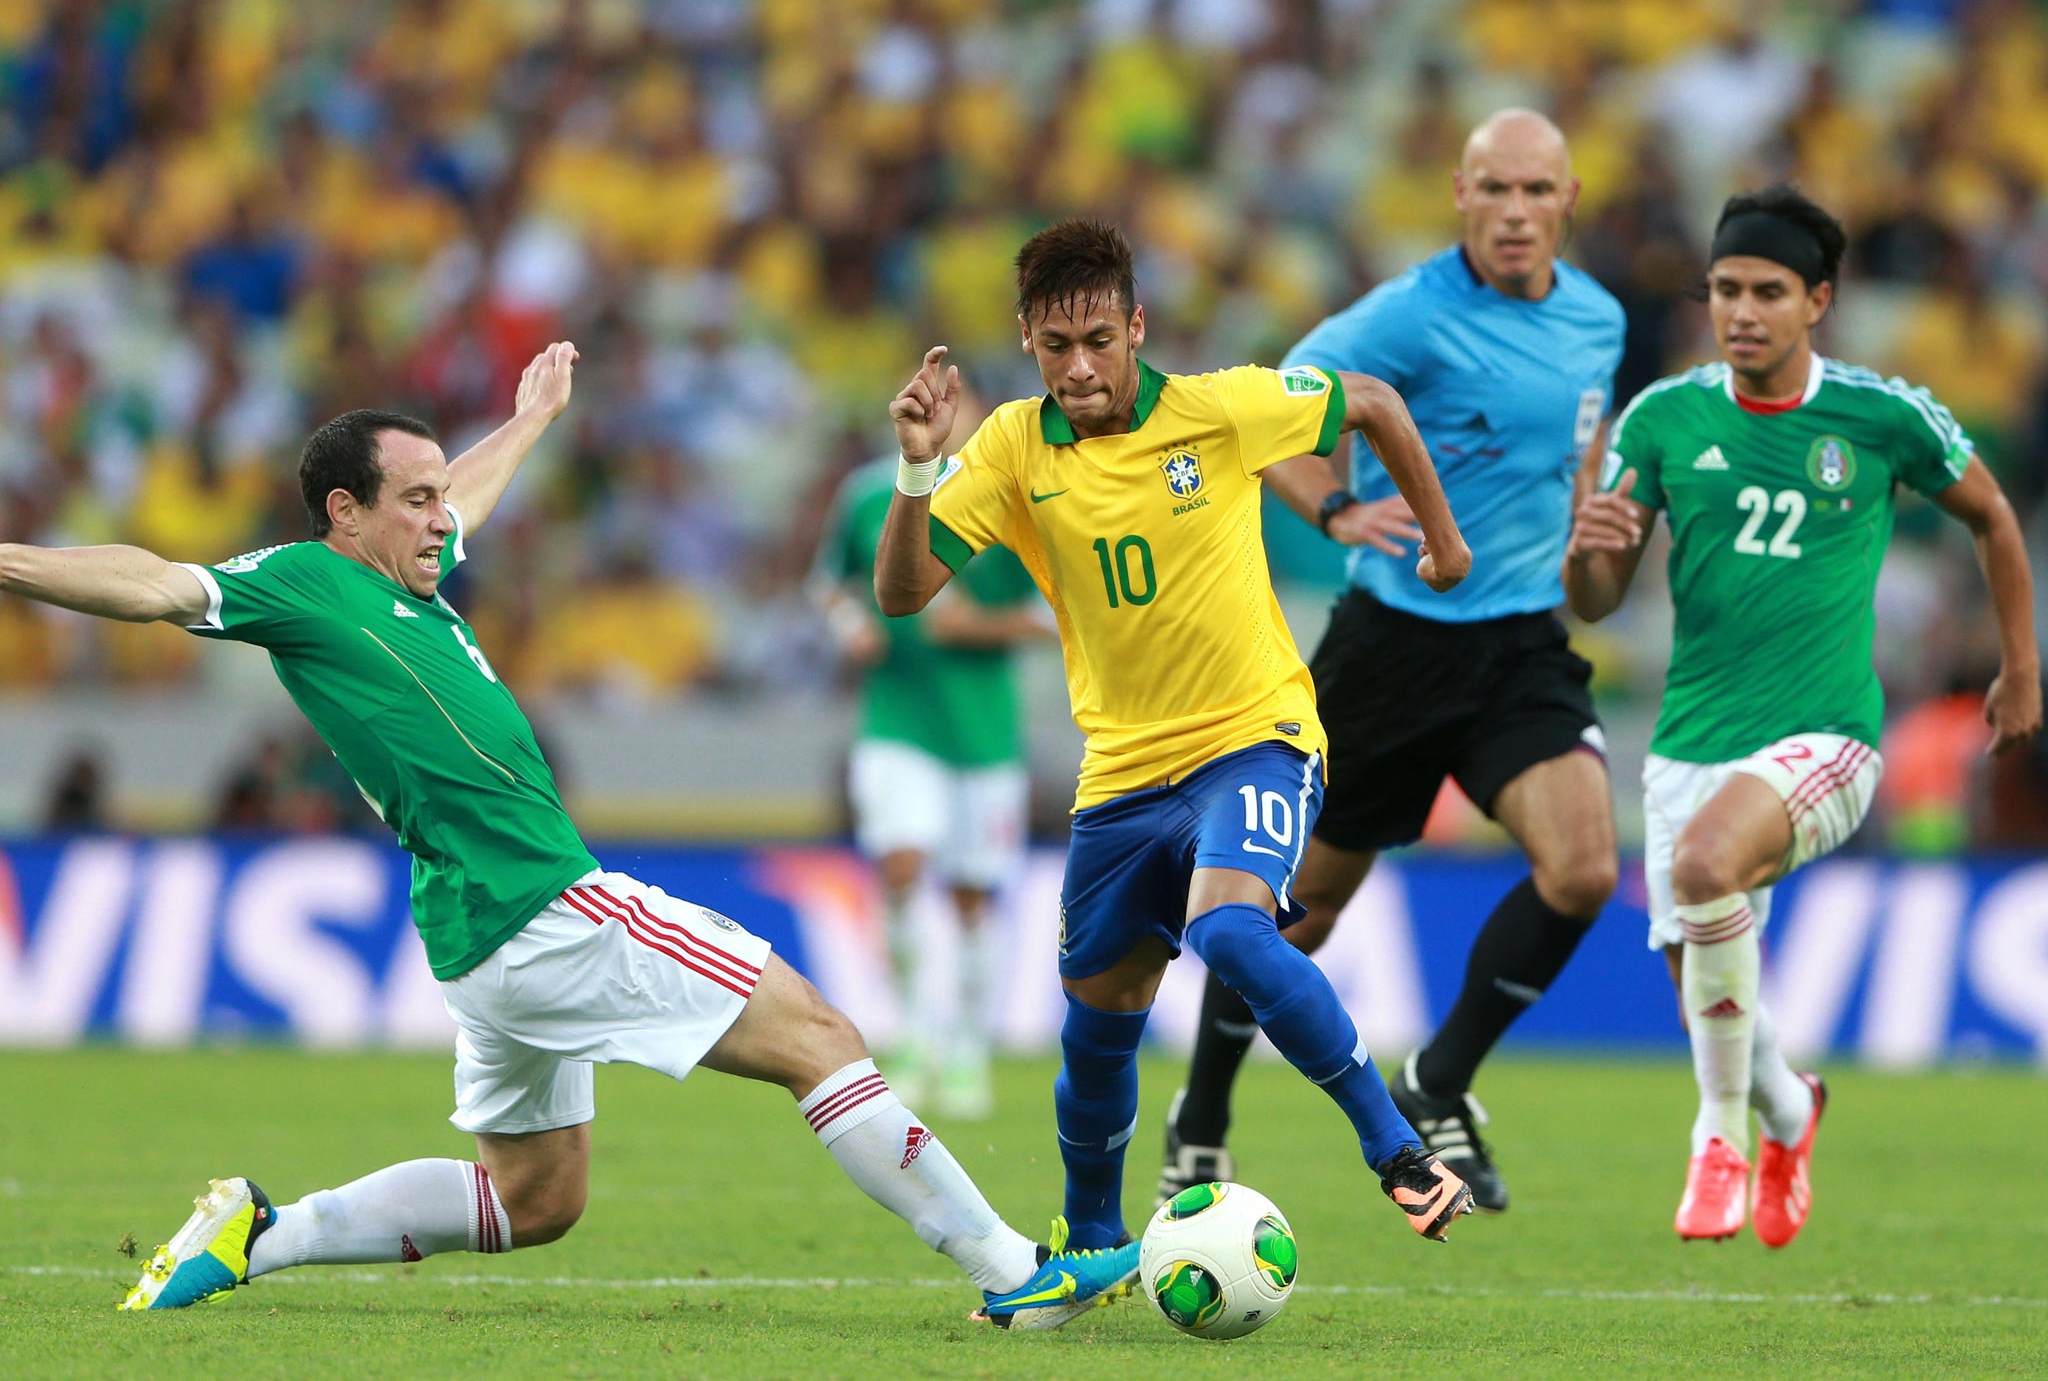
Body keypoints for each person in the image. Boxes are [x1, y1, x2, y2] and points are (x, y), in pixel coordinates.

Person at [0, 342, 1137, 1329]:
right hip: (544, 905)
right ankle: (1010, 1271)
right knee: (819, 1037)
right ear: (342, 514)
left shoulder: (410, 581)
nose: (443, 517)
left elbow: (471, 502)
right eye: (414, 500)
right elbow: (151, 584)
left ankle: (259, 1231)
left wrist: (530, 421)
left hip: (478, 933)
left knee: (532, 1202)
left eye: (441, 497)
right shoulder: (300, 587)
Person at [875, 219, 1478, 1255]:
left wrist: (1443, 543)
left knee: (1231, 931)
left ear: (1135, 328)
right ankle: (1095, 1248)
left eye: (1098, 340)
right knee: (1095, 1030)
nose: (1078, 366)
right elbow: (902, 592)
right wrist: (917, 469)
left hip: (1254, 737)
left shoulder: (1215, 410)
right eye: (1056, 345)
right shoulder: (1014, 446)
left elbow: (1370, 401)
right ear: (1026, 340)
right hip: (1118, 773)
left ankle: (1398, 1152)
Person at [1159, 109, 1626, 1215]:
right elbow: (1268, 413)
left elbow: (1579, 464)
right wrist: (1333, 508)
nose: (1515, 213)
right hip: (1390, 652)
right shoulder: (1406, 315)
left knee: (1583, 870)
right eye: (1493, 191)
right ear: (1458, 195)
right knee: (1292, 912)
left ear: (1567, 202)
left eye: (1536, 193)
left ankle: (1439, 1077)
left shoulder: (1597, 320)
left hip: (1518, 644)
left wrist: (1589, 548)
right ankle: (1202, 1113)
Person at [1565, 184, 2041, 1245]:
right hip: (1688, 743)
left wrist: (2019, 666)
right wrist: (1585, 544)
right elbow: (1593, 598)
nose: (1739, 311)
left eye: (1766, 292)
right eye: (1725, 290)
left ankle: (1718, 1138)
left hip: (1825, 735)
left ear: (1815, 300)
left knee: (1696, 875)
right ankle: (1788, 1106)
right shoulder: (1663, 417)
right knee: (1699, 978)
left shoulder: (1879, 416)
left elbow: (1992, 516)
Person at [812, 380, 1050, 1118]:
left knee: (973, 897)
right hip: (897, 718)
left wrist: (974, 627)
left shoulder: (1013, 501)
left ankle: (968, 1050)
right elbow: (828, 585)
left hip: (983, 732)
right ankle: (916, 1034)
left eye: (962, 404)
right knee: (901, 865)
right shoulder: (863, 496)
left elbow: (1053, 611)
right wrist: (850, 626)